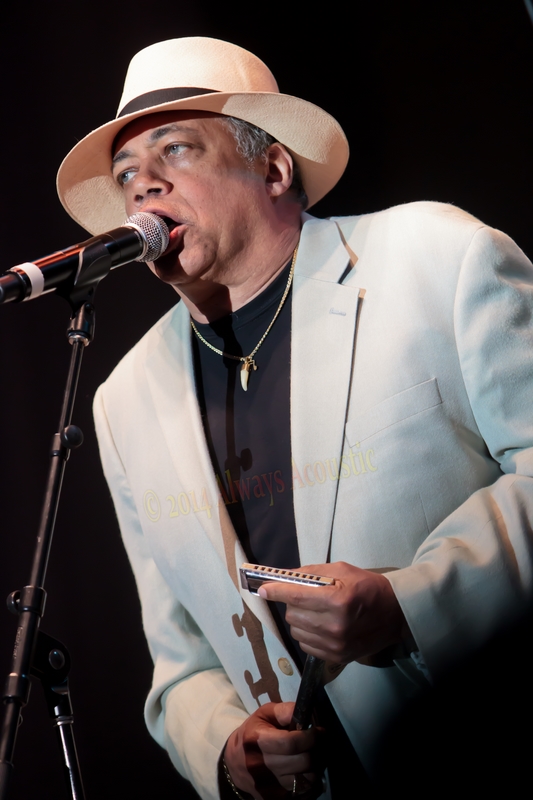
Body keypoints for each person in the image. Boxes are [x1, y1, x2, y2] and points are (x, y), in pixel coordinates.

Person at [56, 37, 533, 800]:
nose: (144, 185)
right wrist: (224, 745)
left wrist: (412, 605)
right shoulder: (125, 399)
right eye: (126, 174)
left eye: (175, 149)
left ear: (275, 168)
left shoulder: (435, 256)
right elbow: (178, 655)